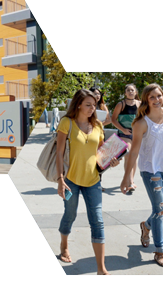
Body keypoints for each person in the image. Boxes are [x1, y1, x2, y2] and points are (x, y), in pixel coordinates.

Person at [121, 84, 163, 269]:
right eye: (152, 97)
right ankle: (160, 252)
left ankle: (146, 226)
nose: (157, 100)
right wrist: (127, 177)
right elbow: (133, 153)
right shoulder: (141, 123)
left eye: (159, 96)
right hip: (151, 170)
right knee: (159, 210)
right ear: (146, 100)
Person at [53, 89, 110, 275]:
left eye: (94, 105)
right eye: (88, 105)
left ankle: (101, 270)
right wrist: (60, 179)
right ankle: (64, 245)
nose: (92, 109)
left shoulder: (98, 126)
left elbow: (102, 153)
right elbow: (59, 153)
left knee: (98, 221)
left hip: (93, 180)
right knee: (70, 215)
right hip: (71, 181)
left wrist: (112, 159)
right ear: (78, 104)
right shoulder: (66, 123)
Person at [110, 84, 141, 193]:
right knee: (128, 155)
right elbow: (113, 119)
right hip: (124, 133)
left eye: (132, 90)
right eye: (128, 90)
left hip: (137, 134)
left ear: (136, 92)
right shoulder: (121, 104)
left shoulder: (140, 104)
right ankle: (129, 182)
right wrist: (123, 130)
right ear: (125, 93)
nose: (130, 92)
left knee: (134, 156)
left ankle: (130, 180)